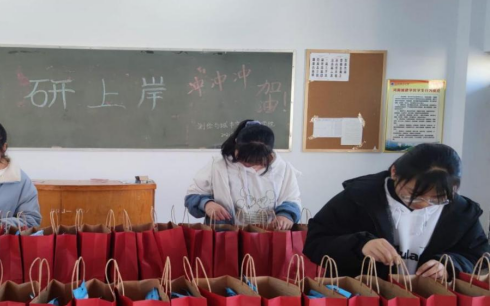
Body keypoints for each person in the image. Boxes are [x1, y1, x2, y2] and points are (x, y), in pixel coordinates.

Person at [304, 143, 490, 279]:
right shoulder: (358, 198)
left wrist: (448, 265)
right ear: (394, 172)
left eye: (437, 199)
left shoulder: (462, 212)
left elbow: (477, 256)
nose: (423, 205)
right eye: (413, 195)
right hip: (362, 298)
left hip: (431, 303)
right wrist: (360, 246)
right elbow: (315, 242)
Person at [185, 119, 302, 229]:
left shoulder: (283, 169)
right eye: (243, 158)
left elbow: (292, 199)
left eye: (256, 160)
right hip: (225, 235)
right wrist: (207, 204)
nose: (248, 164)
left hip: (268, 234)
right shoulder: (218, 165)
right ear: (236, 145)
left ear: (268, 153)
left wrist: (286, 215)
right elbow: (193, 195)